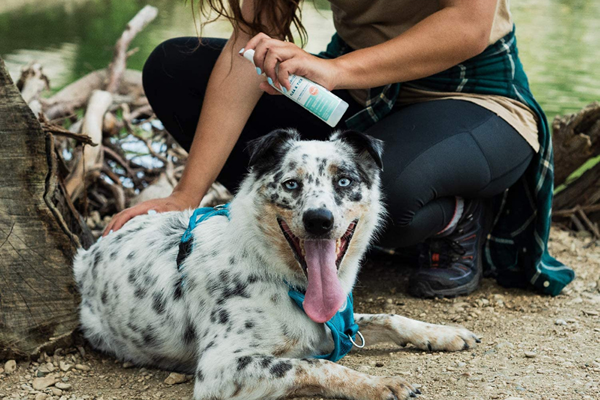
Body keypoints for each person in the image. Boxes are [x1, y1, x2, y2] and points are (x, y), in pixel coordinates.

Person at [103, 0, 574, 298]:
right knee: (175, 69)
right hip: (357, 99)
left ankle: (460, 218)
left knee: (374, 199)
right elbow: (248, 43)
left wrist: (338, 69)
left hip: (472, 99)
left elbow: (469, 24)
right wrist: (186, 195)